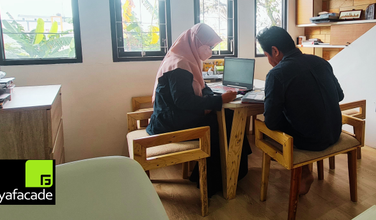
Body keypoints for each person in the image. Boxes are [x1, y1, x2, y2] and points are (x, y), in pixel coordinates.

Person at [147, 23, 251, 197]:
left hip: (174, 115)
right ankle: (216, 178)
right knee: (223, 120)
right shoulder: (179, 63)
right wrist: (219, 100)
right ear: (196, 42)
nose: (210, 50)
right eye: (209, 46)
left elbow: (200, 88)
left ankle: (231, 167)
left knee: (226, 116)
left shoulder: (186, 58)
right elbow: (183, 101)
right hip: (170, 122)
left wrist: (213, 96)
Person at [256, 26, 344, 195]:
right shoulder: (321, 62)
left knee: (266, 126)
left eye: (266, 55)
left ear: (274, 51)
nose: (268, 60)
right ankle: (304, 171)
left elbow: (272, 121)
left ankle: (303, 172)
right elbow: (339, 96)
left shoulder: (276, 74)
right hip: (335, 131)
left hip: (310, 141)